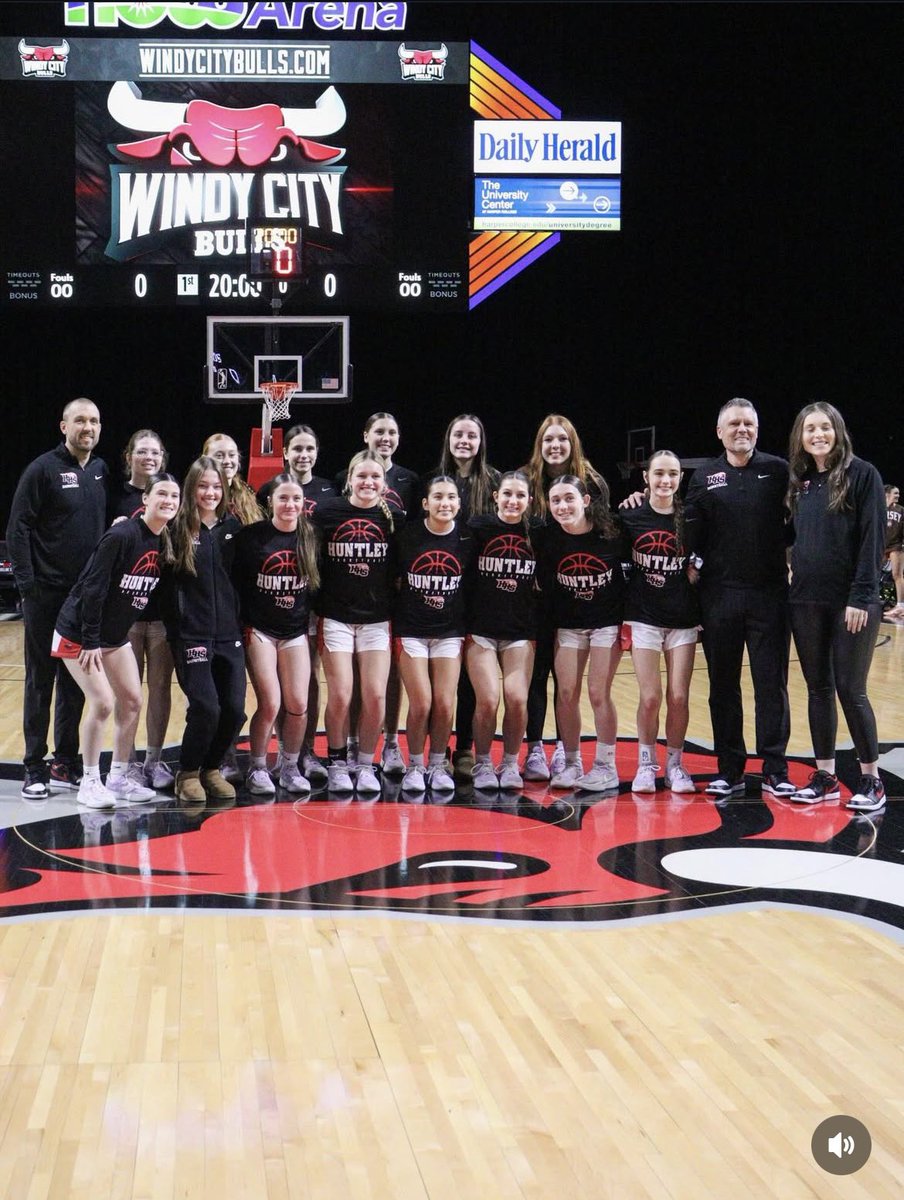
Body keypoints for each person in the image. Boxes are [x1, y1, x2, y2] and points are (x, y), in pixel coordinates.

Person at [682, 398, 795, 798]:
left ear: (758, 430)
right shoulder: (705, 477)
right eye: (734, 424)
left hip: (770, 596)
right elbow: (688, 529)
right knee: (723, 686)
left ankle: (776, 769)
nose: (741, 429)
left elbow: (797, 526)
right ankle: (729, 769)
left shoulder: (779, 471)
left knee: (771, 685)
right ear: (720, 432)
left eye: (748, 423)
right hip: (720, 597)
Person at [50, 474, 180, 809]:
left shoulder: (162, 539)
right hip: (79, 633)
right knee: (104, 702)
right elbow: (92, 588)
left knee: (132, 700)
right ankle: (90, 782)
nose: (168, 500)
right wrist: (91, 640)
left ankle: (119, 777)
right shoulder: (122, 535)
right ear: (146, 499)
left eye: (174, 496)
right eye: (161, 494)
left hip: (113, 635)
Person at [785, 403, 888, 812]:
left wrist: (861, 596)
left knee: (851, 689)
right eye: (810, 428)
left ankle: (871, 780)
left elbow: (873, 538)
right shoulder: (801, 482)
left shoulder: (864, 475)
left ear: (837, 431)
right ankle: (825, 776)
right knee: (818, 689)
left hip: (851, 603)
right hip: (806, 600)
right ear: (801, 436)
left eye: (825, 427)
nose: (818, 434)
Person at [6, 398, 108, 799]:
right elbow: (18, 529)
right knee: (39, 681)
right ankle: (34, 766)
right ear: (63, 426)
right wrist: (28, 586)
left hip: (80, 600)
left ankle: (66, 761)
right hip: (45, 596)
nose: (88, 426)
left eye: (95, 421)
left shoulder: (99, 471)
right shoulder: (42, 470)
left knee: (74, 682)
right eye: (80, 420)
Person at [521, 414, 607, 784]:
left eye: (562, 439)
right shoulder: (526, 481)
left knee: (566, 680)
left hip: (575, 594)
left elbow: (608, 531)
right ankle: (535, 748)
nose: (555, 446)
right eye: (548, 440)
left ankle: (564, 751)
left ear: (573, 443)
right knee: (537, 674)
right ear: (539, 446)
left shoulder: (594, 483)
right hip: (534, 594)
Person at [310, 450, 400, 796]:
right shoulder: (328, 513)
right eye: (361, 476)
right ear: (349, 479)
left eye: (375, 477)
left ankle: (364, 762)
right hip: (336, 617)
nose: (368, 482)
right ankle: (336, 762)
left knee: (376, 695)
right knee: (342, 694)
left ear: (384, 482)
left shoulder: (394, 519)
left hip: (377, 620)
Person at [335, 413, 419, 777]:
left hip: (387, 601)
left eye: (392, 432)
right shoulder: (338, 495)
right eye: (379, 431)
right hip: (343, 605)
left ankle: (389, 742)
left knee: (385, 681)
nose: (386, 437)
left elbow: (412, 541)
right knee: (348, 683)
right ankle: (352, 744)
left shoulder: (410, 485)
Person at [160, 456, 246, 804]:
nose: (210, 492)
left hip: (229, 634)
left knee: (235, 709)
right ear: (190, 488)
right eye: (202, 486)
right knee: (206, 707)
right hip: (191, 635)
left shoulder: (233, 529)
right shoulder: (175, 528)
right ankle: (188, 772)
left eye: (216, 486)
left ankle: (212, 769)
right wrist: (177, 627)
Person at [255, 423, 336, 784]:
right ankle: (262, 762)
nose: (304, 454)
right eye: (297, 448)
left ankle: (299, 755)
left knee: (304, 692)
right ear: (285, 452)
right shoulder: (261, 512)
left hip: (304, 615)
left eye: (310, 448)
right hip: (265, 618)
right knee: (271, 697)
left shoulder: (326, 500)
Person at [533, 476, 625, 791]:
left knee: (598, 693)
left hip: (605, 624)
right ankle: (572, 763)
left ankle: (606, 766)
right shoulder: (548, 539)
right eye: (556, 500)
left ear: (585, 501)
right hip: (568, 625)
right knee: (567, 693)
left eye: (569, 498)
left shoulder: (611, 532)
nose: (562, 506)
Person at [231, 474, 320, 796]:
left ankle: (289, 764)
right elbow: (236, 582)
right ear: (270, 501)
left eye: (296, 499)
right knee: (270, 702)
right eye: (283, 498)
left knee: (297, 703)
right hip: (260, 630)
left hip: (295, 631)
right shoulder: (251, 538)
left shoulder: (310, 536)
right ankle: (257, 767)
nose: (290, 505)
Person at [619, 451, 700, 793]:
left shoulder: (691, 518)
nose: (665, 480)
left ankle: (675, 765)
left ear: (680, 478)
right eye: (659, 474)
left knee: (679, 696)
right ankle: (645, 764)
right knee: (650, 697)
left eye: (672, 474)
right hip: (644, 617)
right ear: (646, 478)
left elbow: (701, 563)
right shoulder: (630, 515)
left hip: (682, 619)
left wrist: (697, 572)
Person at [394, 475, 474, 795]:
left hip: (449, 631)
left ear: (459, 503)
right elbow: (393, 579)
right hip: (412, 629)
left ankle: (439, 762)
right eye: (438, 497)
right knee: (422, 702)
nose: (445, 503)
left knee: (443, 702)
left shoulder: (467, 539)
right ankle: (415, 764)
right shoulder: (407, 537)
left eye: (451, 497)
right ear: (425, 504)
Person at [432, 413, 500, 782]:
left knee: (469, 682)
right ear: (448, 438)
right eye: (458, 433)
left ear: (480, 441)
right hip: (440, 586)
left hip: (481, 589)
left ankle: (465, 749)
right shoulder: (432, 481)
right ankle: (438, 748)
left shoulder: (494, 481)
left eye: (471, 435)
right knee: (441, 679)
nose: (464, 440)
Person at [108, 428, 176, 790]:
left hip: (162, 611)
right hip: (126, 614)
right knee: (128, 693)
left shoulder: (170, 495)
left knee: (160, 687)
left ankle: (155, 759)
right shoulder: (114, 497)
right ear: (129, 456)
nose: (149, 458)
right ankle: (126, 761)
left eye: (155, 452)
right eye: (142, 452)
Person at [465, 470, 537, 791]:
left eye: (520, 496)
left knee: (517, 699)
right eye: (507, 494)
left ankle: (510, 763)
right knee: (488, 700)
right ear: (496, 496)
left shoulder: (537, 531)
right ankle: (482, 762)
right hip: (480, 628)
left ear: (530, 501)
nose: (513, 501)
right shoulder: (477, 528)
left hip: (520, 629)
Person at [201, 432, 262, 782]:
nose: (228, 460)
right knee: (210, 698)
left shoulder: (249, 499)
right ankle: (211, 760)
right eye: (219, 454)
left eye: (232, 454)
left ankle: (227, 755)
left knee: (235, 699)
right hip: (206, 611)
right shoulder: (195, 500)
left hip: (242, 608)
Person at [882, 484, 904, 619]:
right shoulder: (879, 509)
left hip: (897, 545)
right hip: (882, 546)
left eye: (898, 493)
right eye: (895, 493)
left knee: (897, 574)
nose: (898, 496)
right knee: (871, 571)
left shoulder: (901, 510)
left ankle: (900, 605)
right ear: (887, 494)